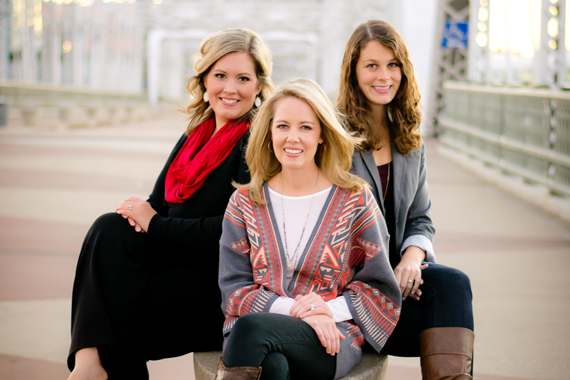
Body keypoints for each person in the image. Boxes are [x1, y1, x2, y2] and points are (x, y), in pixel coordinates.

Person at [66, 28, 273, 380]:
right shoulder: (197, 134)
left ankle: (89, 368)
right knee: (109, 227)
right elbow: (158, 203)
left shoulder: (256, 143)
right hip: (174, 260)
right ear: (204, 79)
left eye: (243, 78)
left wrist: (155, 224)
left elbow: (236, 231)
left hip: (217, 281)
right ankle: (88, 365)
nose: (230, 88)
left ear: (258, 86)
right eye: (220, 76)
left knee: (118, 320)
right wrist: (139, 216)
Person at [216, 78, 401, 380]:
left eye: (305, 127)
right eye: (283, 126)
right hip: (256, 330)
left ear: (322, 136)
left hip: (328, 338)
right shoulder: (244, 203)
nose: (293, 138)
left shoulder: (355, 199)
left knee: (252, 330)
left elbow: (379, 288)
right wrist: (298, 310)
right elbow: (233, 290)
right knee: (272, 366)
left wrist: (327, 311)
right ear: (269, 133)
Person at [337, 20, 475, 380]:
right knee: (448, 296)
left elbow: (421, 218)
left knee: (452, 284)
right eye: (372, 65)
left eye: (392, 65)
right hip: (350, 290)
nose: (384, 76)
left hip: (398, 284)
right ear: (353, 72)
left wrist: (413, 259)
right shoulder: (333, 137)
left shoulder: (409, 141)